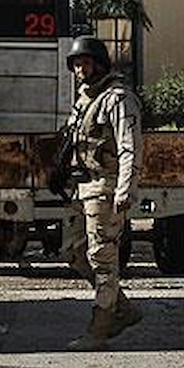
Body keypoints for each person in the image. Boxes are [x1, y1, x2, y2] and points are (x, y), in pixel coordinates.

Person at [60, 35, 144, 350]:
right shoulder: (84, 100)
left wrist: (125, 189)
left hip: (106, 187)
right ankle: (121, 308)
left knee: (103, 259)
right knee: (73, 252)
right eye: (76, 64)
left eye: (84, 63)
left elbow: (129, 148)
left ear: (99, 64)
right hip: (82, 187)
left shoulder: (118, 99)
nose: (80, 69)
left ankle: (100, 327)